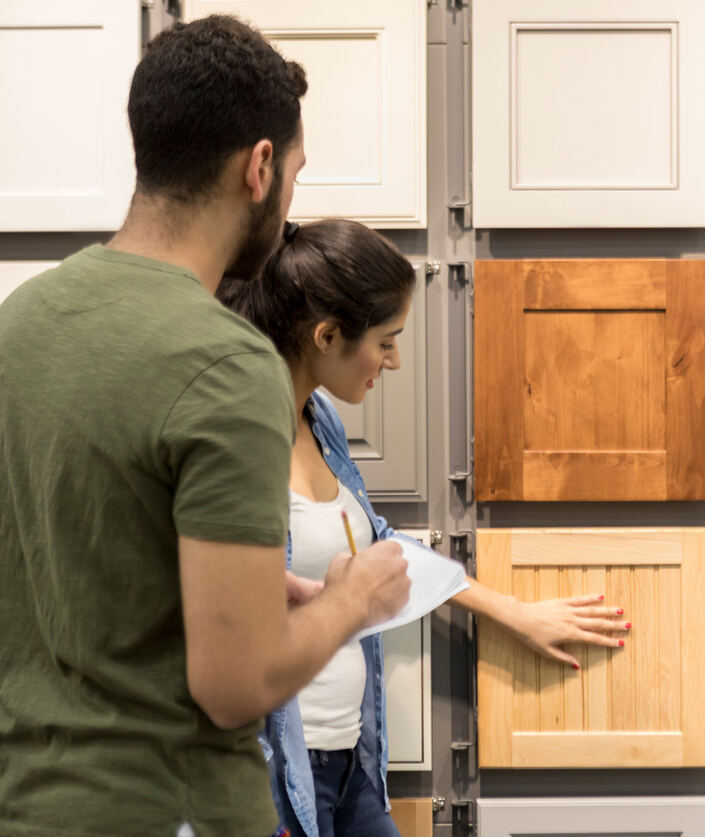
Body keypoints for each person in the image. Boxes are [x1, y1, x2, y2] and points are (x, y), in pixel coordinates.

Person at [0, 17, 410, 837]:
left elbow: (80, 564)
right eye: (293, 172)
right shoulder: (227, 363)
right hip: (171, 812)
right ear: (259, 166)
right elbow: (237, 681)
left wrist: (257, 592)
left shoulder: (24, 320)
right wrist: (350, 602)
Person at [220, 218, 631, 837]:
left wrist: (514, 613)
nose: (395, 360)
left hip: (351, 760)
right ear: (327, 335)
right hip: (275, 777)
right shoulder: (231, 439)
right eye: (386, 341)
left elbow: (379, 547)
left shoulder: (319, 419)